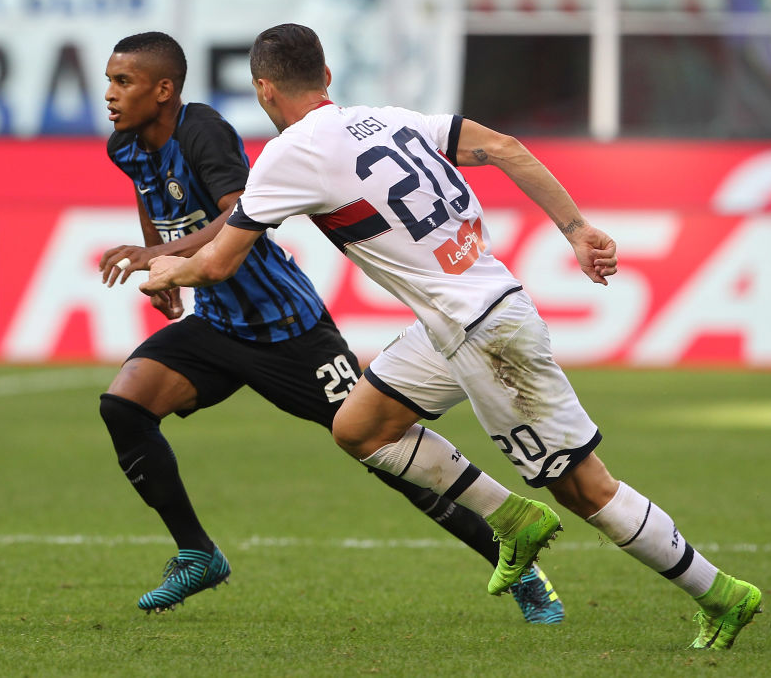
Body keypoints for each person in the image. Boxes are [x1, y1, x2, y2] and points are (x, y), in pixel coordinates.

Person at [140, 23, 762, 650]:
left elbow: (219, 264)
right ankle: (511, 517)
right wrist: (576, 230)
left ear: (263, 90)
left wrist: (166, 267)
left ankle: (720, 593)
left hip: (485, 335)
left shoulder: (289, 154)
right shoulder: (391, 120)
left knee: (584, 488)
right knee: (358, 427)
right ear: (326, 77)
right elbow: (505, 148)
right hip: (456, 320)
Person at [98, 31, 564, 622]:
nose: (110, 94)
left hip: (288, 328)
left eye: (123, 82)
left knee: (385, 450)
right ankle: (197, 553)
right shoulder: (125, 146)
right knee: (124, 407)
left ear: (163, 90)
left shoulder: (203, 130)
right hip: (217, 324)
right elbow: (152, 201)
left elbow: (236, 217)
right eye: (110, 81)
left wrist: (161, 257)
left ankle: (514, 559)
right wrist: (159, 265)